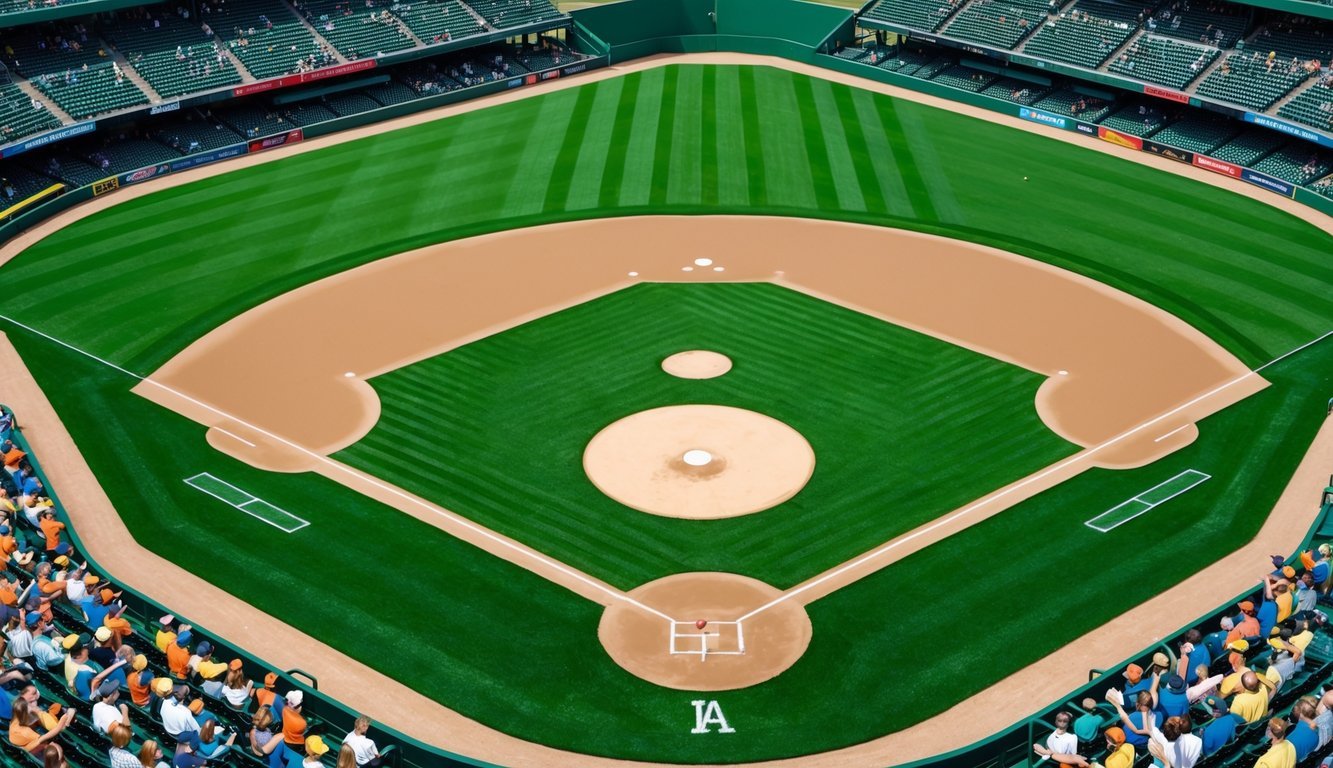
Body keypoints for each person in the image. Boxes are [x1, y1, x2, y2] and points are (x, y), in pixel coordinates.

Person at [8, 697, 74, 754]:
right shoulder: (25, 731)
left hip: (18, 739)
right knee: (51, 745)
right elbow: (45, 737)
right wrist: (65, 718)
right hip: (27, 747)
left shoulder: (17, 717)